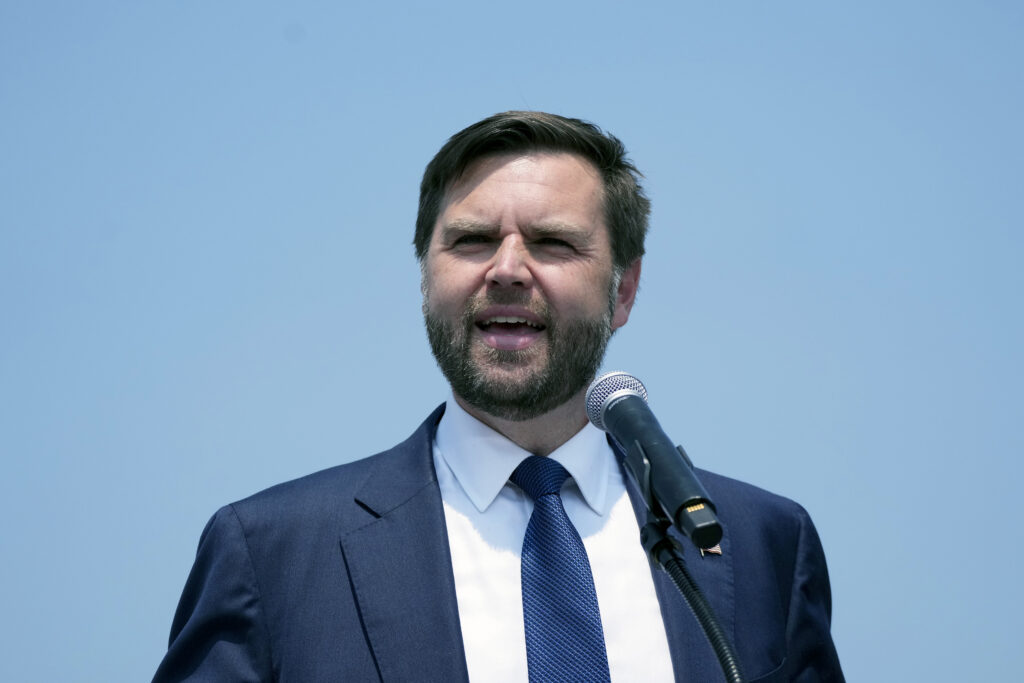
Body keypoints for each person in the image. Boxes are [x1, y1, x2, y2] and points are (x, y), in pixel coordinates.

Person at [154, 111, 844, 682]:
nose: (508, 269)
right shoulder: (273, 553)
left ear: (624, 290)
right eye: (472, 240)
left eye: (552, 243)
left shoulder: (762, 545)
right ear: (426, 276)